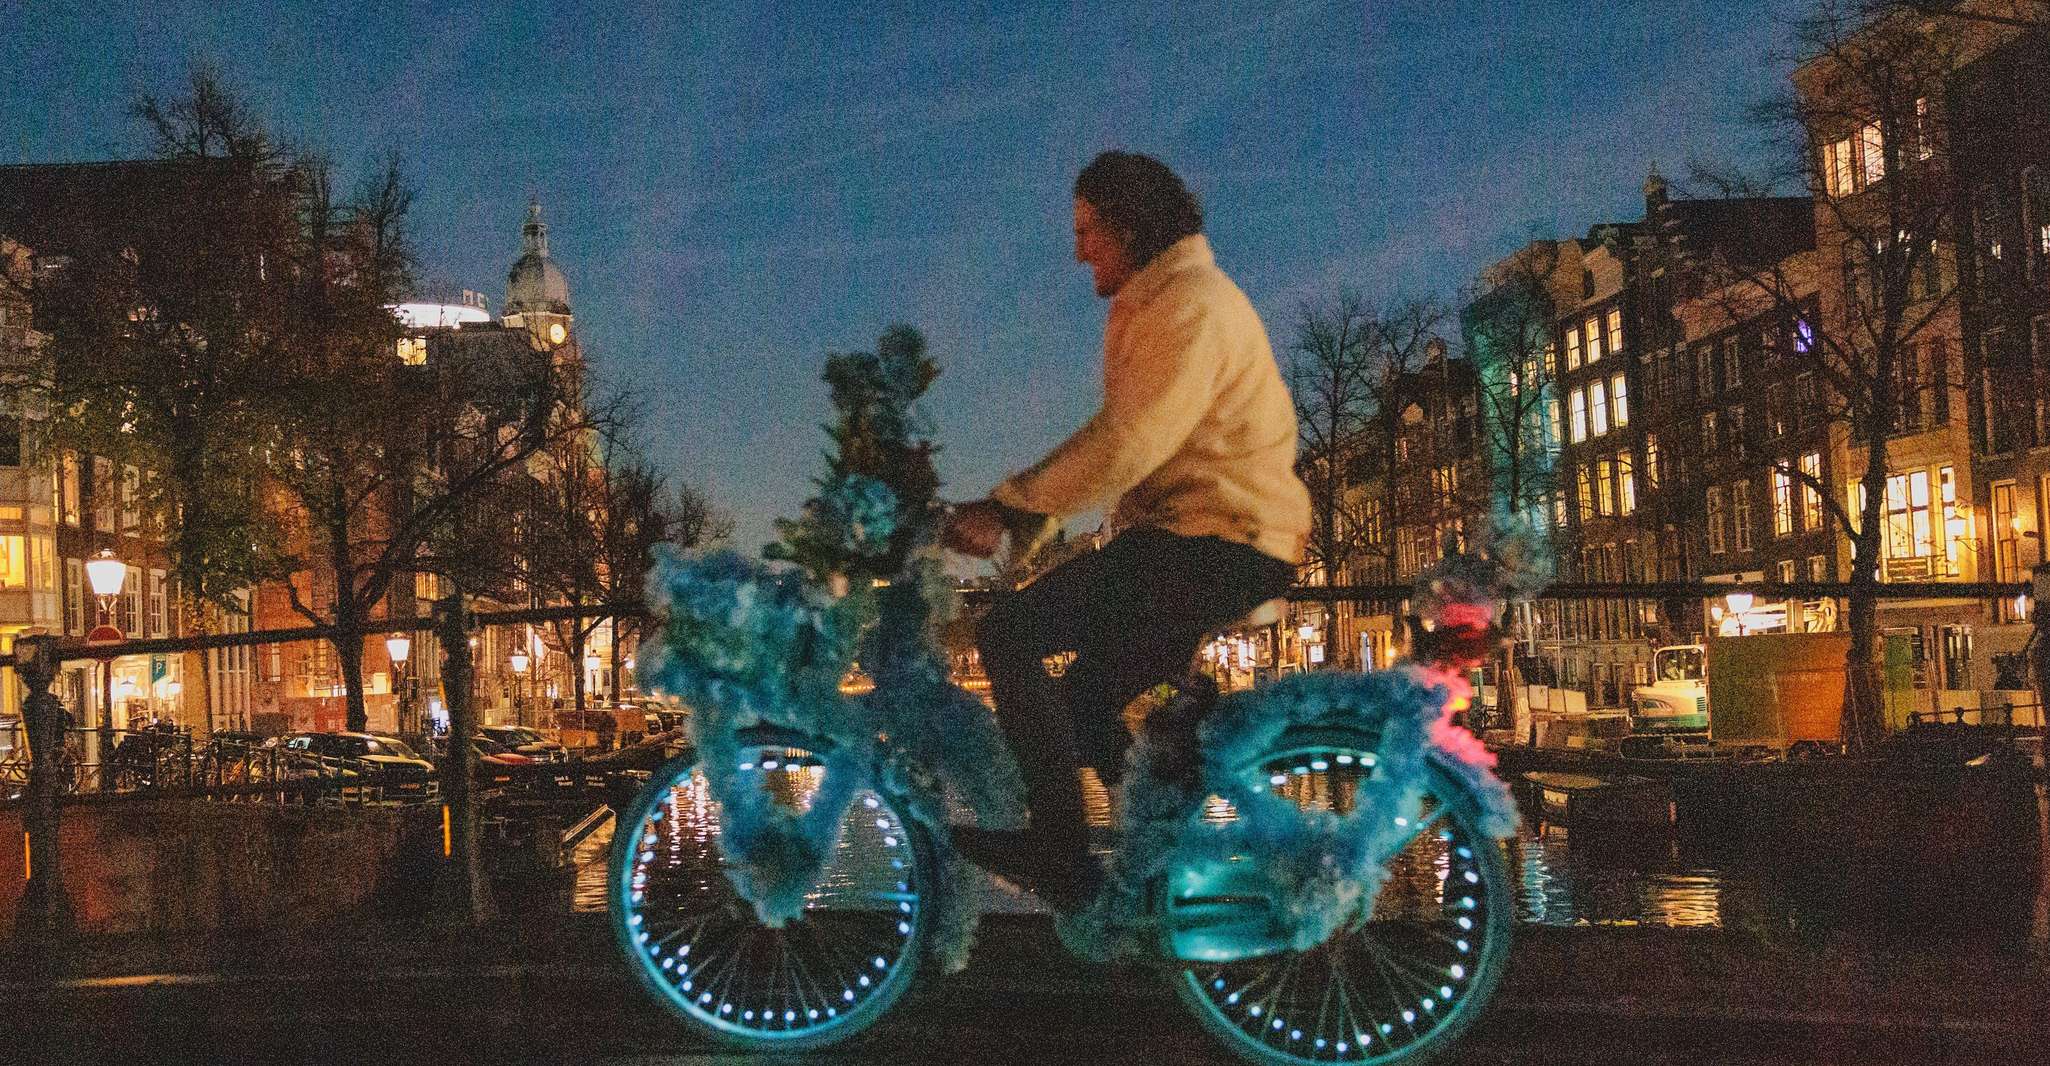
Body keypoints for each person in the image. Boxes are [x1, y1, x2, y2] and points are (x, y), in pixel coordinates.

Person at [944, 151, 1310, 910]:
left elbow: (1129, 441)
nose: (1078, 249)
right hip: (1210, 535)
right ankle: (1164, 872)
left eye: (1087, 231)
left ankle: (1059, 853)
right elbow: (1136, 453)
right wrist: (1035, 526)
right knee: (1082, 700)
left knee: (1008, 634)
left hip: (1219, 540)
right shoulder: (1159, 301)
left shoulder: (1188, 307)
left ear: (1129, 225)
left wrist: (1012, 504)